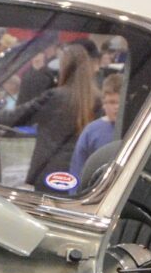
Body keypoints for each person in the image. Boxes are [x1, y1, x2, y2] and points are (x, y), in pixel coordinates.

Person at [24, 43, 97, 191]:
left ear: (65, 67)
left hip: (48, 171)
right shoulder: (97, 99)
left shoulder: (55, 96)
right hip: (80, 174)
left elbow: (23, 114)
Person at [69, 73, 124, 187]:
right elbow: (78, 168)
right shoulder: (91, 131)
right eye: (112, 102)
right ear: (103, 103)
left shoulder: (137, 129)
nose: (116, 107)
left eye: (120, 102)